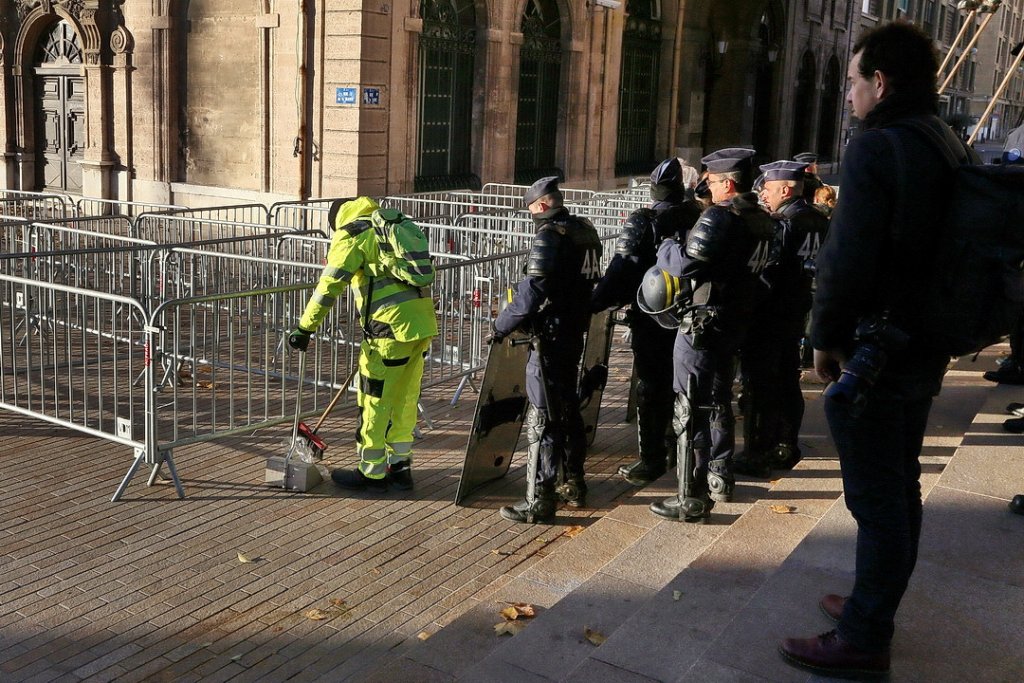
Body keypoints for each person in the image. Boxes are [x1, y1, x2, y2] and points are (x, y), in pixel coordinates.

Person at [780, 23, 979, 678]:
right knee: (900, 482)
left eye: (853, 81)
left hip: (880, 347)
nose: (848, 94)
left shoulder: (876, 147)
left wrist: (824, 338)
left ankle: (864, 634)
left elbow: (846, 258)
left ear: (880, 84)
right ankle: (873, 604)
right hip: (924, 343)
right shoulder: (941, 139)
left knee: (877, 496)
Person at [648, 148, 777, 522]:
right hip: (735, 321)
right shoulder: (761, 219)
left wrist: (668, 247)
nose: (708, 185)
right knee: (718, 399)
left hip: (703, 325)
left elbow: (687, 264)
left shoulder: (721, 216)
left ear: (727, 183)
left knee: (689, 408)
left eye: (713, 180)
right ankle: (720, 474)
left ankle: (691, 493)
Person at [287, 196, 438, 492]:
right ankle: (401, 469)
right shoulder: (389, 225)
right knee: (405, 400)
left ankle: (371, 473)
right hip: (421, 326)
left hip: (388, 330)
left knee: (375, 402)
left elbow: (328, 287)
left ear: (336, 222)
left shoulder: (352, 234)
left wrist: (305, 328)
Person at [491, 176, 603, 524]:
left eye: (531, 210)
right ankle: (574, 483)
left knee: (543, 417)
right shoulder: (584, 230)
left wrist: (501, 326)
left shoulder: (550, 236)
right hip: (574, 330)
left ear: (541, 205)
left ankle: (539, 499)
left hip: (549, 338)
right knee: (567, 407)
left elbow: (531, 293)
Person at [592, 159, 701, 486]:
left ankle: (652, 459)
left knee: (652, 388)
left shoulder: (646, 220)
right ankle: (677, 450)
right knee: (683, 386)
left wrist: (593, 303)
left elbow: (623, 269)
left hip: (652, 318)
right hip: (689, 314)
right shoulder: (698, 215)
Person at [734, 160, 829, 479]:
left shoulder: (783, 222)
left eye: (769, 188)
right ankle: (787, 445)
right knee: (788, 379)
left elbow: (767, 270)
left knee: (761, 383)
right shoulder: (818, 219)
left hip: (770, 313)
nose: (763, 192)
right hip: (797, 308)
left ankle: (758, 452)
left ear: (786, 189)